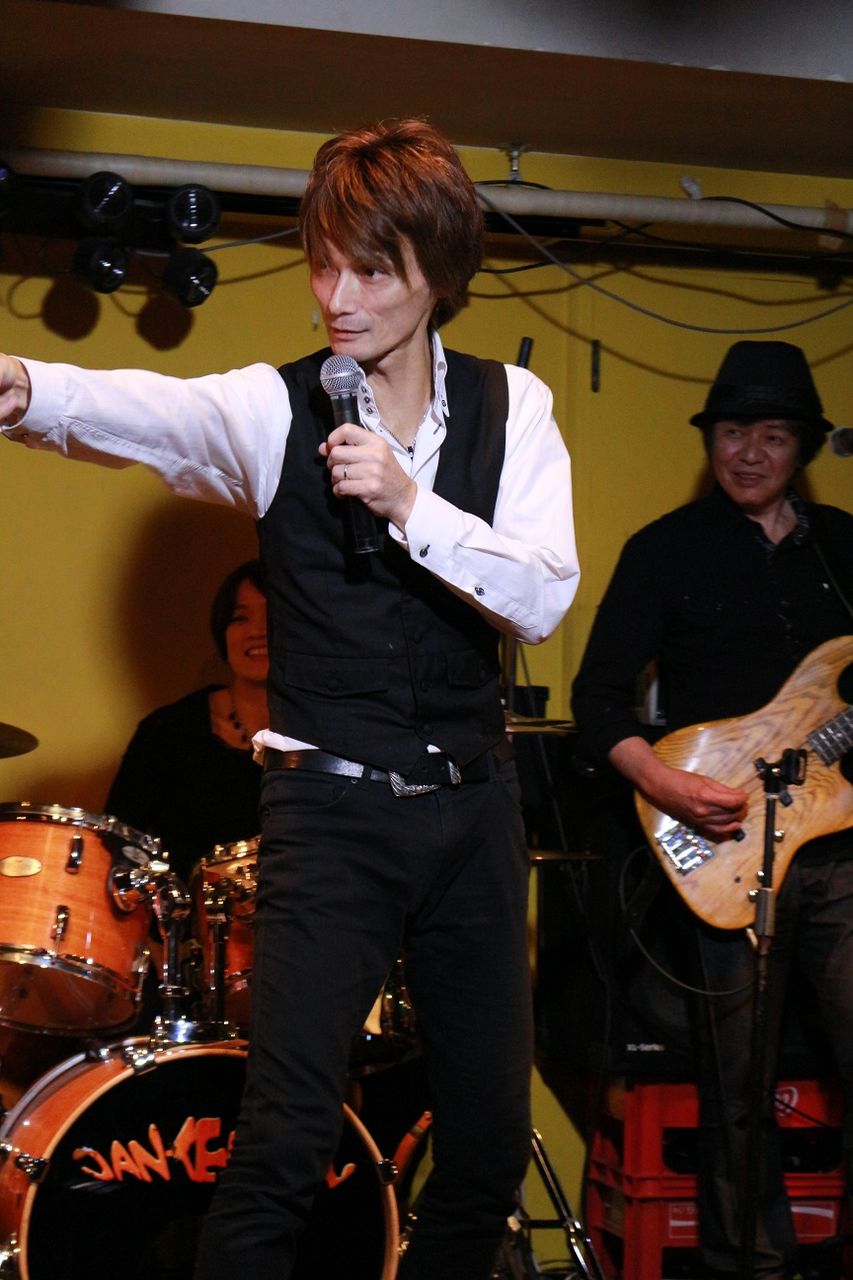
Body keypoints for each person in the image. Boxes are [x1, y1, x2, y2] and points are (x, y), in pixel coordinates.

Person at [0, 119, 580, 1280]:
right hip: (330, 815)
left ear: (437, 273)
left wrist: (410, 503)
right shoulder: (276, 410)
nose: (336, 297)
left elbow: (542, 594)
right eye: (323, 265)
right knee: (282, 1145)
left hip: (472, 809)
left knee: (481, 1153)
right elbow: (147, 411)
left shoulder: (514, 404)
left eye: (370, 270)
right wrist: (23, 385)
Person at [571, 340, 853, 1280]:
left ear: (801, 446)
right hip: (723, 843)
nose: (748, 453)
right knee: (735, 1081)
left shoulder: (844, 549)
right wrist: (661, 785)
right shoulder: (664, 550)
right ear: (709, 440)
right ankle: (750, 1265)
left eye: (771, 435)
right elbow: (597, 701)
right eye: (732, 432)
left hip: (839, 846)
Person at [105, 557, 268, 886]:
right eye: (240, 618)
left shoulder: (330, 730)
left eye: (274, 616)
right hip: (190, 915)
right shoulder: (168, 731)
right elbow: (118, 844)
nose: (257, 631)